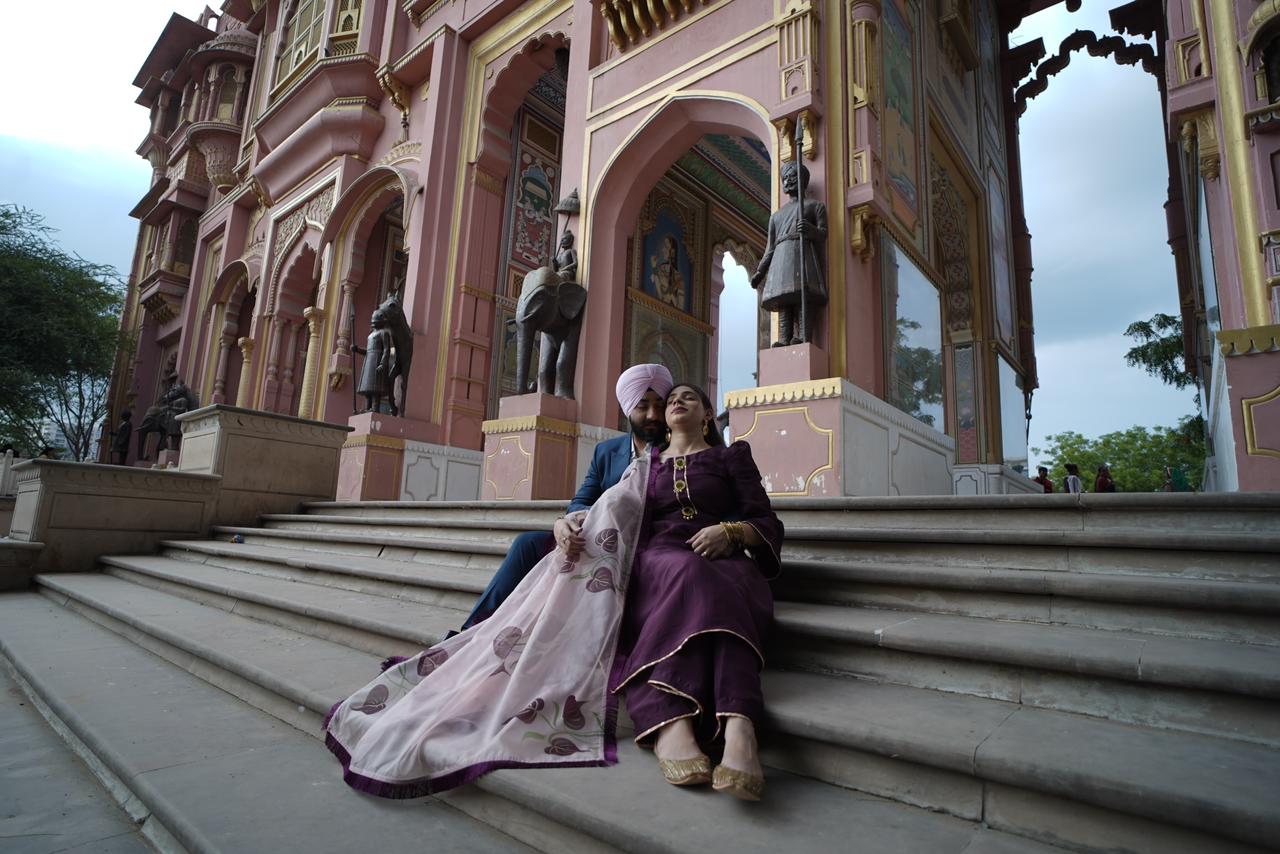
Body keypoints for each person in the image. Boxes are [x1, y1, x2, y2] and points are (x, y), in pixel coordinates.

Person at [324, 383, 782, 803]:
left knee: (710, 580)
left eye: (688, 397)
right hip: (655, 556)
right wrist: (571, 522)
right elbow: (605, 506)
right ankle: (692, 721)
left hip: (723, 554)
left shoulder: (730, 458)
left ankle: (728, 726)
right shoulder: (645, 465)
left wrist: (733, 532)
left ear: (707, 416)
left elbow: (766, 521)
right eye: (669, 399)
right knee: (681, 574)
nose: (674, 403)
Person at [458, 363, 673, 630]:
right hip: (595, 540)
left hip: (643, 546)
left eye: (659, 405)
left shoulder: (677, 449)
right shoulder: (607, 452)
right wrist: (564, 523)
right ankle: (470, 633)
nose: (653, 415)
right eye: (643, 406)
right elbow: (581, 500)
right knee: (527, 544)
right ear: (628, 409)